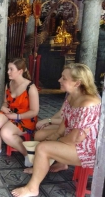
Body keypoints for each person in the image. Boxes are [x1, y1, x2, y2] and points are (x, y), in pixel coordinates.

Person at [12, 63, 101, 197]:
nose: (59, 80)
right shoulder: (72, 96)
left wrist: (56, 139)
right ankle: (50, 165)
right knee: (41, 135)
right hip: (73, 138)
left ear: (77, 83)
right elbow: (66, 121)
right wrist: (55, 134)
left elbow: (75, 139)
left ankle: (32, 188)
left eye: (64, 78)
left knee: (43, 148)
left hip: (87, 149)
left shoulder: (88, 103)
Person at [0, 58, 39, 167]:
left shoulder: (30, 87)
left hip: (25, 118)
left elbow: (34, 111)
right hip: (10, 113)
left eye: (11, 69)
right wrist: (3, 107)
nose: (8, 71)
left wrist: (17, 116)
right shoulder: (9, 84)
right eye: (8, 69)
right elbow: (5, 102)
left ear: (20, 71)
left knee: (5, 132)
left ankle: (26, 154)